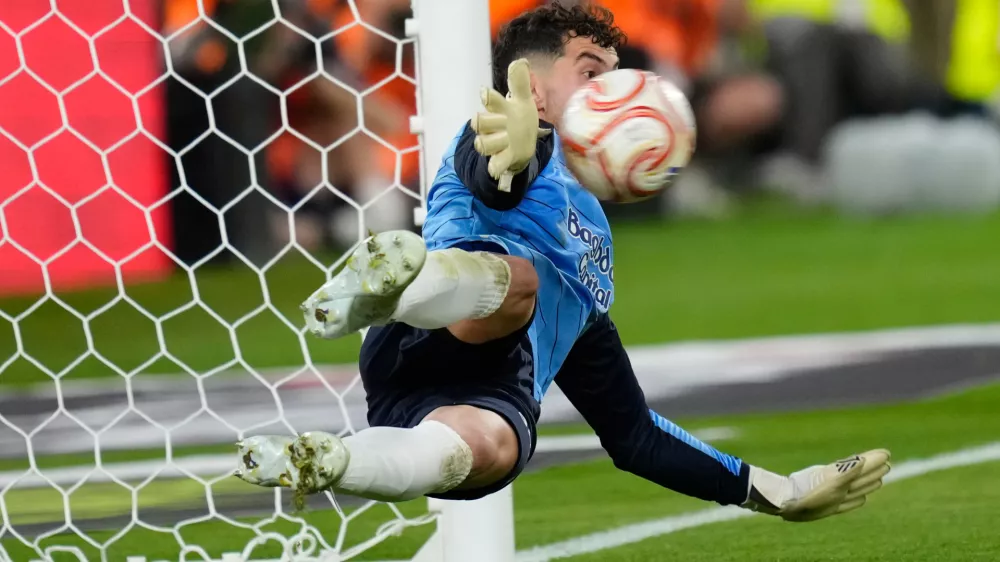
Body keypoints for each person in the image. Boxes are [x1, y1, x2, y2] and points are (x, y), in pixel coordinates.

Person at [234, 2, 890, 521]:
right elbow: (494, 181)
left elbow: (634, 435)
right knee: (519, 282)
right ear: (535, 93)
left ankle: (330, 462)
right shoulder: (495, 137)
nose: (617, 87)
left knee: (492, 447)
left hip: (484, 392)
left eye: (618, 72)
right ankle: (387, 291)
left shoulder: (591, 241)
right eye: (592, 72)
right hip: (430, 323)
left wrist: (774, 490)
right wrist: (517, 153)